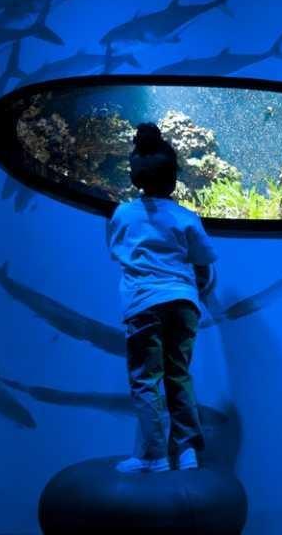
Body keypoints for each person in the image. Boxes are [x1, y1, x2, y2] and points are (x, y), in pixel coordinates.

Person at [105, 123, 218, 473]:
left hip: (143, 304)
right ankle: (186, 452)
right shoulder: (186, 217)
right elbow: (203, 262)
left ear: (135, 177)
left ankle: (153, 455)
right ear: (174, 178)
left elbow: (116, 252)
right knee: (178, 374)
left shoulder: (123, 214)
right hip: (184, 304)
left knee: (145, 379)